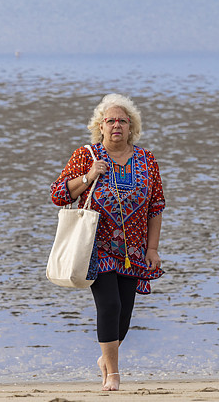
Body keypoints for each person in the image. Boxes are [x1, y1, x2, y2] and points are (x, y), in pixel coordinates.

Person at [50, 93, 165, 391]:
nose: (116, 125)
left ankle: (105, 358)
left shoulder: (147, 160)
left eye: (122, 121)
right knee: (110, 305)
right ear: (100, 126)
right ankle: (113, 373)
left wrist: (152, 249)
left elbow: (155, 207)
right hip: (96, 247)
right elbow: (59, 195)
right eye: (110, 121)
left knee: (124, 315)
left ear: (131, 127)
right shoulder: (86, 155)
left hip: (133, 250)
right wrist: (88, 176)